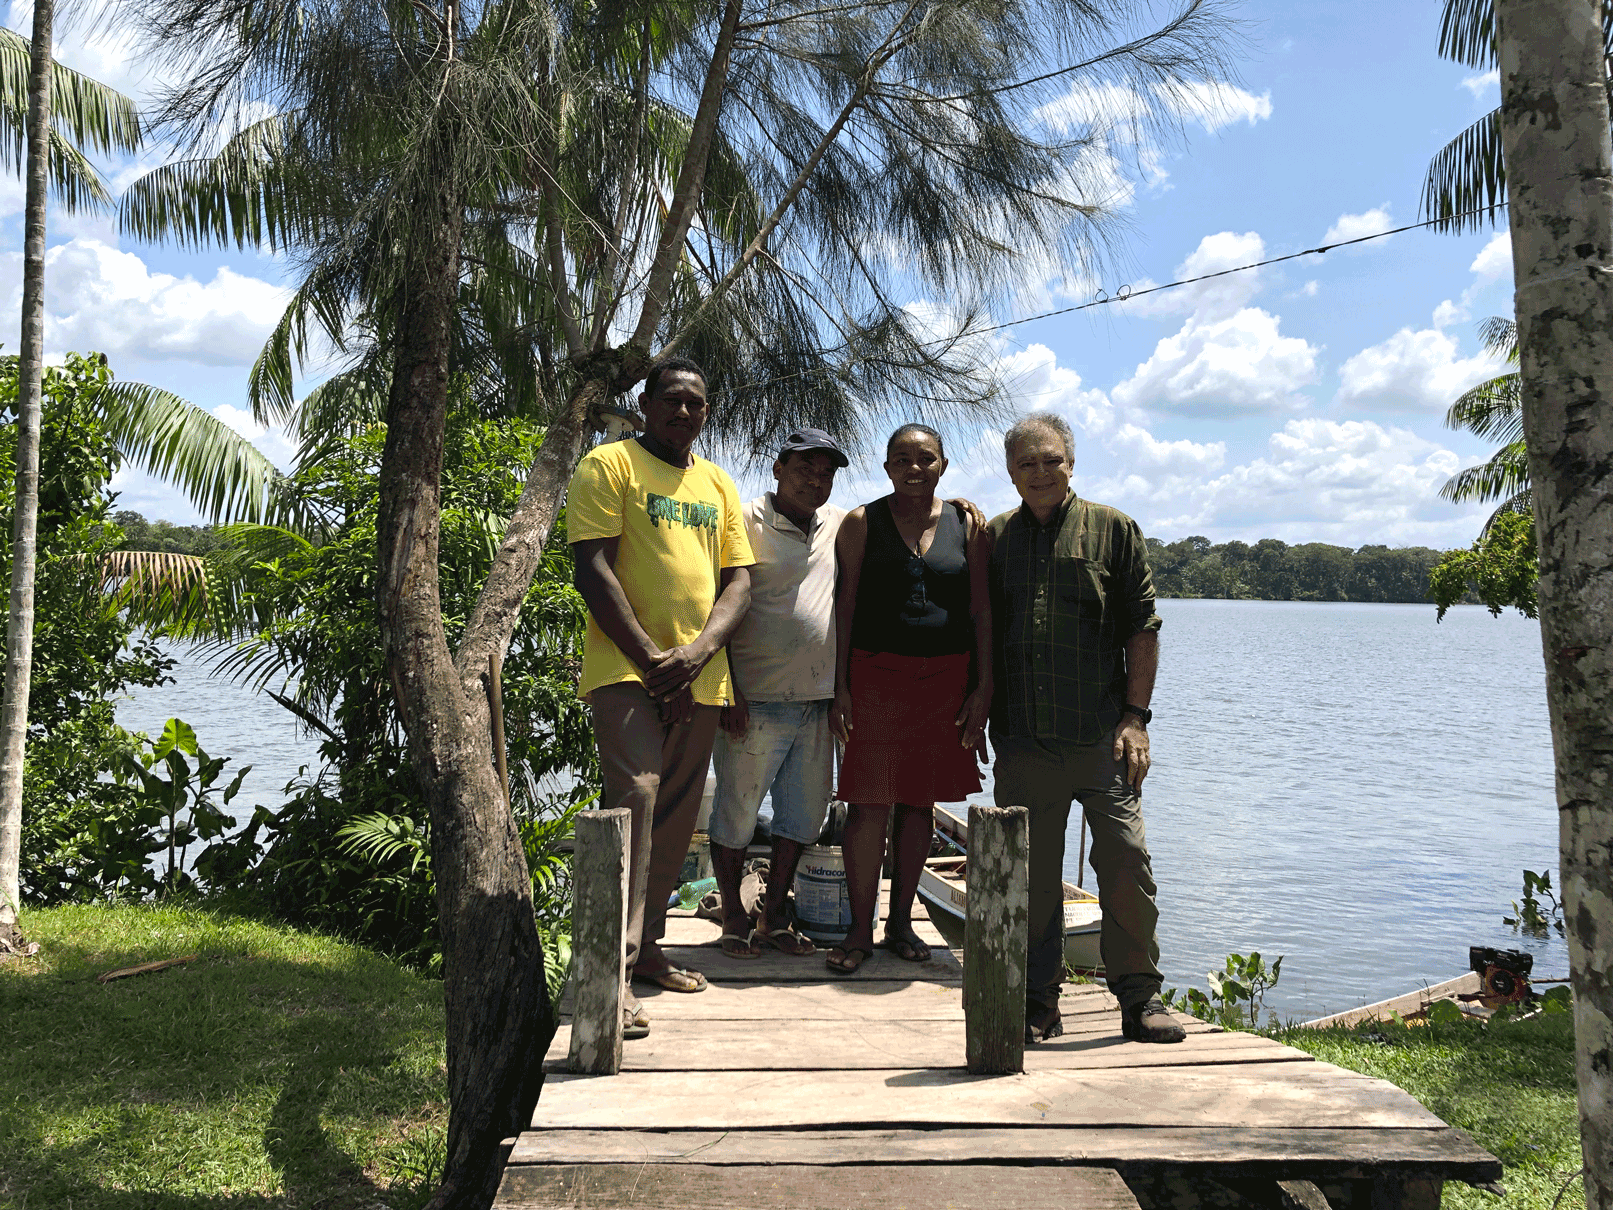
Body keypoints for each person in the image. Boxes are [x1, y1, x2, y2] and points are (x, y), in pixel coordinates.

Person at [567, 356, 755, 1038]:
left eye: (695, 403)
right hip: (626, 670)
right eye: (671, 400)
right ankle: (606, 974)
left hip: (700, 675)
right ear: (645, 403)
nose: (683, 412)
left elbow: (737, 582)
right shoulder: (609, 466)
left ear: (707, 412)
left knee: (676, 816)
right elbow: (592, 567)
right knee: (637, 800)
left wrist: (699, 654)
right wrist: (653, 662)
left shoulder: (716, 483)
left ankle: (646, 950)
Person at [985, 410, 1184, 1045]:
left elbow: (1142, 630)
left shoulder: (1114, 529)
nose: (1039, 472)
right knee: (1031, 876)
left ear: (1072, 463)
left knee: (1125, 862)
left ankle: (1140, 998)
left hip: (1105, 736)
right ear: (1011, 472)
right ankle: (1037, 1000)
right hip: (1023, 737)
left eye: (1051, 460)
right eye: (1026, 463)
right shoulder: (994, 538)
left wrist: (1137, 718)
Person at [826, 423, 992, 975]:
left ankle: (901, 923)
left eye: (926, 459)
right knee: (868, 803)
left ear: (943, 465)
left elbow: (980, 611)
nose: (914, 468)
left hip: (945, 682)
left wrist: (983, 686)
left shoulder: (965, 524)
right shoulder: (860, 523)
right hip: (874, 679)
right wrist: (841, 686)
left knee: (920, 803)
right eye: (902, 459)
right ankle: (858, 928)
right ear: (886, 466)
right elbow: (844, 608)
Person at [708, 428, 850, 959]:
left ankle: (773, 917)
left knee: (803, 818)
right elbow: (713, 604)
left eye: (826, 473)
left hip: (816, 702)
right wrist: (727, 689)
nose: (815, 481)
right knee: (736, 814)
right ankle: (731, 916)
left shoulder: (840, 525)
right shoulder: (745, 521)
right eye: (804, 470)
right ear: (778, 469)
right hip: (753, 698)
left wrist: (961, 506)